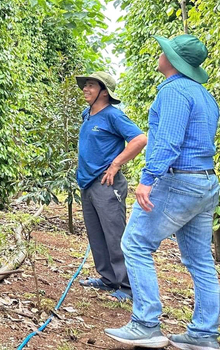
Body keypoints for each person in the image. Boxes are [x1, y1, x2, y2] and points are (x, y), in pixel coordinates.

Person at [105, 34, 220, 350]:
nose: (160, 54)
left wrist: (148, 178)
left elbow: (169, 141)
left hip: (178, 180)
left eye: (164, 52)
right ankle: (204, 335)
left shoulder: (173, 92)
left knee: (135, 242)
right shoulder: (205, 96)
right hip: (206, 182)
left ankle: (146, 324)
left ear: (173, 60)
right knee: (199, 260)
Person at [74, 71, 147, 302]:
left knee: (114, 234)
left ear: (104, 92)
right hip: (88, 183)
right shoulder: (87, 114)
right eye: (85, 85)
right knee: (96, 234)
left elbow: (139, 139)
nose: (85, 89)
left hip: (107, 184)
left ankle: (126, 286)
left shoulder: (113, 116)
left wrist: (115, 164)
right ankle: (107, 279)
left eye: (91, 86)